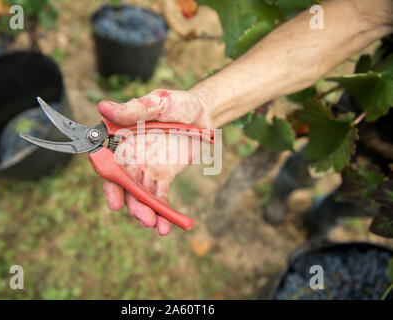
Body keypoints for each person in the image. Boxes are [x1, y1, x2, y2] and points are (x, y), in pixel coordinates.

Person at [96, 0, 393, 236]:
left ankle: (324, 218)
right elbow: (359, 13)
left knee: (362, 203)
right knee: (306, 168)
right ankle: (290, 197)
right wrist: (205, 104)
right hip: (366, 116)